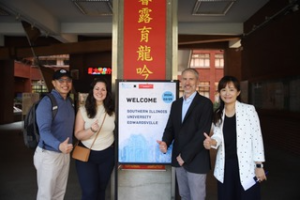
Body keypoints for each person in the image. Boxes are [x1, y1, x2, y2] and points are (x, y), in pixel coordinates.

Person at [203, 75, 267, 200]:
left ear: (238, 92)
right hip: (225, 166)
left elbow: (257, 138)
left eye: (231, 90)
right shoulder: (218, 114)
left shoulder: (249, 110)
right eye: (223, 90)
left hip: (247, 165)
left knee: (247, 196)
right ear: (220, 92)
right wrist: (212, 142)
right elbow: (218, 136)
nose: (227, 93)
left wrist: (259, 166)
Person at [157, 68, 213, 200]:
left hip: (196, 160)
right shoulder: (176, 104)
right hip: (178, 159)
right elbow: (170, 128)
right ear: (181, 81)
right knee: (184, 196)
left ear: (197, 82)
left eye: (191, 79)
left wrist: (185, 156)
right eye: (185, 79)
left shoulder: (205, 104)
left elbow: (202, 133)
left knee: (197, 197)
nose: (187, 82)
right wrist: (165, 141)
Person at [34, 69, 75, 200]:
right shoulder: (47, 102)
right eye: (61, 80)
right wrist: (59, 145)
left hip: (64, 154)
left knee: (59, 193)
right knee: (46, 195)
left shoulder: (69, 102)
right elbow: (44, 131)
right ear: (53, 83)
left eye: (68, 80)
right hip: (49, 154)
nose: (65, 83)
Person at [74, 77, 115, 200]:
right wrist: (91, 130)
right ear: (92, 91)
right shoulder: (82, 111)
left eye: (103, 89)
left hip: (107, 155)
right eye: (97, 88)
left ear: (107, 92)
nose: (100, 92)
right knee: (89, 192)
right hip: (86, 155)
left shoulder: (113, 111)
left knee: (101, 190)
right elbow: (78, 134)